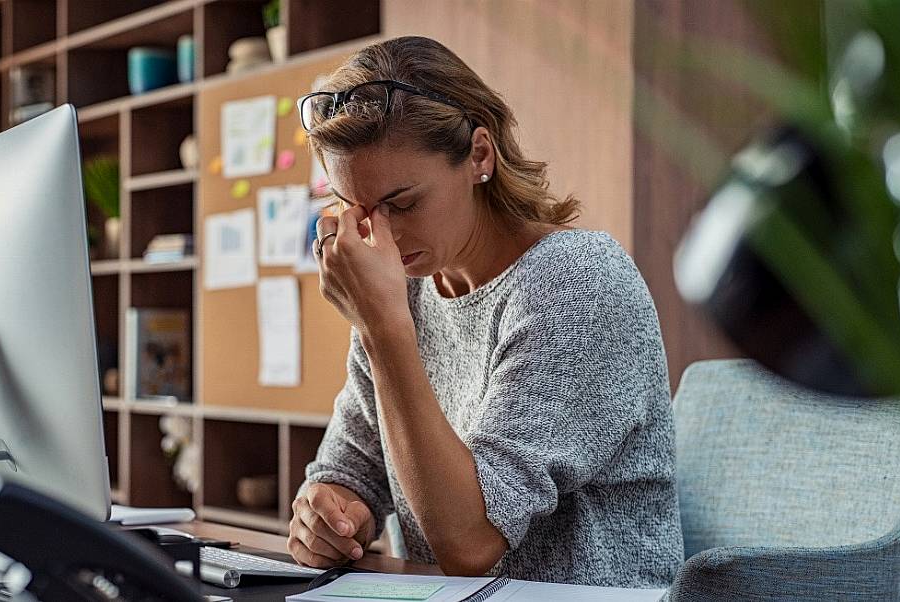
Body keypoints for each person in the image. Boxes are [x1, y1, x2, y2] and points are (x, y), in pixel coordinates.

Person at [287, 36, 683, 588]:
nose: (381, 235)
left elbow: (471, 542)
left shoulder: (577, 282)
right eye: (357, 210)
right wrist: (329, 514)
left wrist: (382, 328)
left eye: (403, 203)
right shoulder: (405, 291)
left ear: (479, 155)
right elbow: (353, 468)